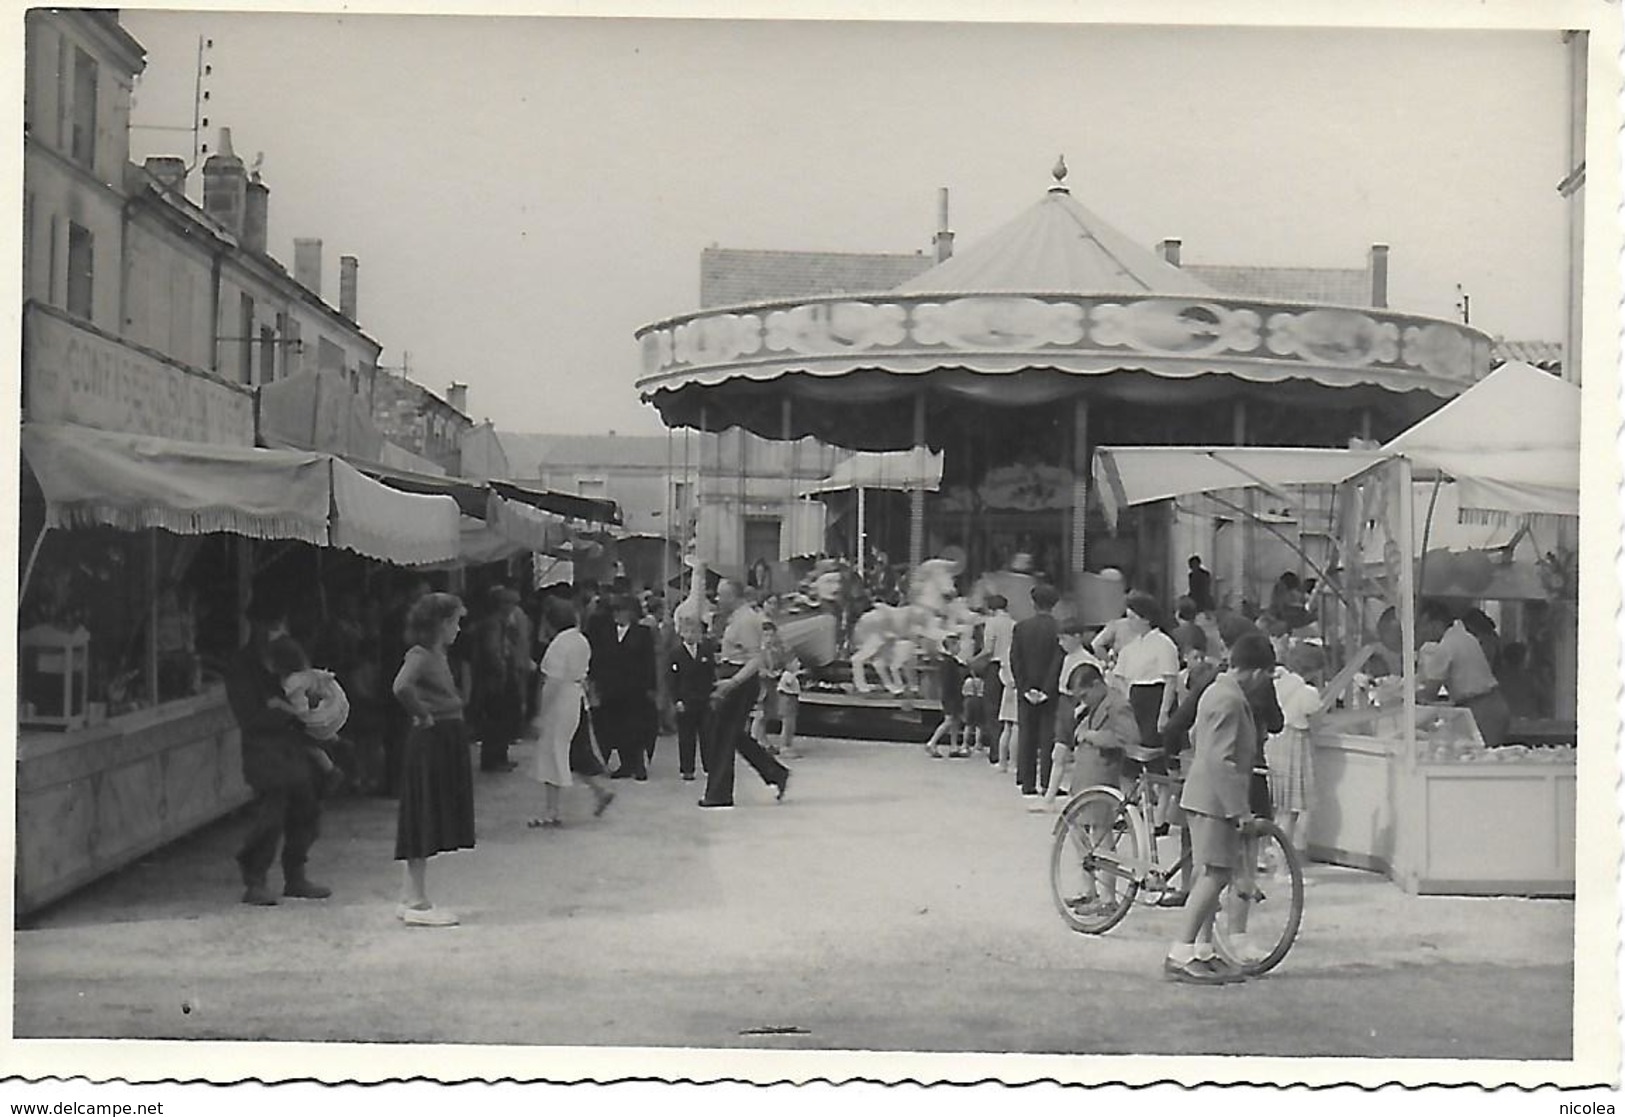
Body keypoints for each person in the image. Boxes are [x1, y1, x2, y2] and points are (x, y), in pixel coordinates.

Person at [1164, 630, 1277, 985]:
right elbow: (1219, 759)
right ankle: (1180, 952)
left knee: (1213, 874)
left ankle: (1203, 950)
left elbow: (1199, 740)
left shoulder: (1216, 690)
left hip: (1205, 796)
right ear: (1257, 672)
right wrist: (1239, 811)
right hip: (1214, 800)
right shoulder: (1229, 699)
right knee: (1214, 875)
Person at [224, 598, 331, 906]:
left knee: (307, 809)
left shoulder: (287, 657)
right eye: (267, 624)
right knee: (271, 815)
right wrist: (286, 711)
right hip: (262, 748)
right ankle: (255, 878)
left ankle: (295, 875)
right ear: (254, 624)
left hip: (291, 746)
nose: (272, 630)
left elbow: (305, 696)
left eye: (276, 623)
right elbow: (249, 716)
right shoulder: (242, 665)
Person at [390, 592, 476, 928]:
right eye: (455, 621)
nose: (458, 628)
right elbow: (401, 687)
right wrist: (423, 714)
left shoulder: (438, 654)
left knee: (427, 813)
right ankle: (417, 900)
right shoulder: (421, 655)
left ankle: (409, 893)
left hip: (444, 737)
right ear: (441, 623)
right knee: (422, 814)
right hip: (431, 738)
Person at [698, 579, 791, 809]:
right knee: (731, 734)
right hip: (733, 674)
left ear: (734, 596)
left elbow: (755, 659)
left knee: (722, 736)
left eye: (722, 595)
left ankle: (719, 794)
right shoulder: (736, 619)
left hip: (740, 679)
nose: (718, 599)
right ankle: (775, 773)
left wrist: (732, 683)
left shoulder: (747, 620)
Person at [526, 597, 615, 827]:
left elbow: (552, 683)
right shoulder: (580, 639)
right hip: (576, 697)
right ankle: (598, 791)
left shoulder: (558, 645)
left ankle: (551, 810)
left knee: (551, 751)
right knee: (570, 750)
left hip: (561, 699)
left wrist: (540, 713)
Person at [1417, 599, 1511, 748]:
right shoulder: (1463, 636)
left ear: (1435, 623)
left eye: (1423, 626)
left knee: (1479, 759)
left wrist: (1406, 696)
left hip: (1482, 709)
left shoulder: (1446, 646)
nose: (1422, 632)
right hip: (1492, 704)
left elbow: (1430, 692)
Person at [266, 636, 350, 796]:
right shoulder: (306, 674)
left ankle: (330, 769)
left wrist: (278, 704)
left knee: (300, 740)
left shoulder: (293, 681)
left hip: (320, 717)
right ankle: (336, 742)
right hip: (333, 707)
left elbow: (300, 711)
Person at [1038, 620, 1106, 810]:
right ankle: (1049, 798)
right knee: (1058, 753)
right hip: (1064, 705)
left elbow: (1096, 690)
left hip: (1080, 707)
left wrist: (1082, 708)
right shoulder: (1067, 658)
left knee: (1078, 754)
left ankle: (1076, 797)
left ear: (1077, 637)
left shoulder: (1089, 661)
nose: (1061, 643)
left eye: (1064, 639)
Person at [590, 594, 658, 781]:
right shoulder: (606, 632)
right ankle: (624, 764)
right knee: (615, 727)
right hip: (611, 688)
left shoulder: (642, 633)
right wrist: (596, 683)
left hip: (635, 689)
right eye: (615, 611)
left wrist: (651, 687)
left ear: (630, 613)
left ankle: (638, 764)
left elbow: (649, 661)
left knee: (635, 727)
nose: (617, 615)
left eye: (621, 611)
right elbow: (599, 659)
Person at [1267, 642, 1323, 857]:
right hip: (1296, 748)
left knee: (1278, 809)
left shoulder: (1278, 682)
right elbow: (1317, 724)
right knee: (1294, 812)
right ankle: (1287, 865)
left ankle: (1271, 857)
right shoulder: (1307, 692)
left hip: (1274, 744)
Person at [1009, 582, 1062, 798]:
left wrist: (1025, 687)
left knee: (1026, 734)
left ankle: (1027, 781)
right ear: (1055, 604)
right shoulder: (1060, 629)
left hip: (1026, 690)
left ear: (1033, 603)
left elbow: (1015, 660)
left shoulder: (1021, 627)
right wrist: (1047, 689)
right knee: (1048, 736)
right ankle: (1048, 781)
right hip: (1051, 691)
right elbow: (1058, 661)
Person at [667, 610, 716, 781]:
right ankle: (687, 768)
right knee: (686, 736)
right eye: (687, 631)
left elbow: (711, 674)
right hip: (686, 700)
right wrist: (676, 700)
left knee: (707, 734)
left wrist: (712, 695)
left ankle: (710, 765)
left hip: (704, 699)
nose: (691, 635)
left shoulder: (705, 651)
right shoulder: (676, 654)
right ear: (681, 633)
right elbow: (672, 680)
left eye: (694, 631)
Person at [979, 593, 1016, 769]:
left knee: (992, 710)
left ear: (991, 609)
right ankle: (1009, 752)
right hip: (1011, 668)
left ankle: (996, 752)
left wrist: (973, 660)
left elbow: (988, 649)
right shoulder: (1014, 624)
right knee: (1008, 712)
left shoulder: (991, 623)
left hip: (995, 666)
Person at [923, 632, 968, 759]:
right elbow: (950, 682)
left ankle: (954, 746)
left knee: (956, 720)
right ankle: (932, 742)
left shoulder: (950, 661)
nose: (960, 648)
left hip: (953, 695)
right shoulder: (949, 663)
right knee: (949, 720)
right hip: (951, 696)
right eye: (957, 645)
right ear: (951, 646)